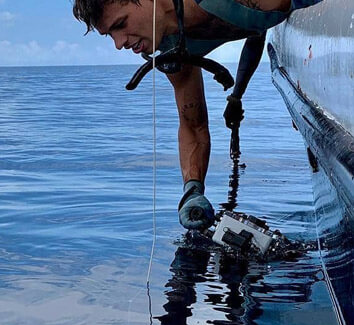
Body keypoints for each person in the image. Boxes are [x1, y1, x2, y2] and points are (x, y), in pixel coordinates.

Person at [72, 0, 323, 230]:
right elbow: (193, 126)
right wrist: (193, 190)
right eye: (110, 35)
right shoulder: (171, 47)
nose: (118, 44)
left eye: (121, 24)